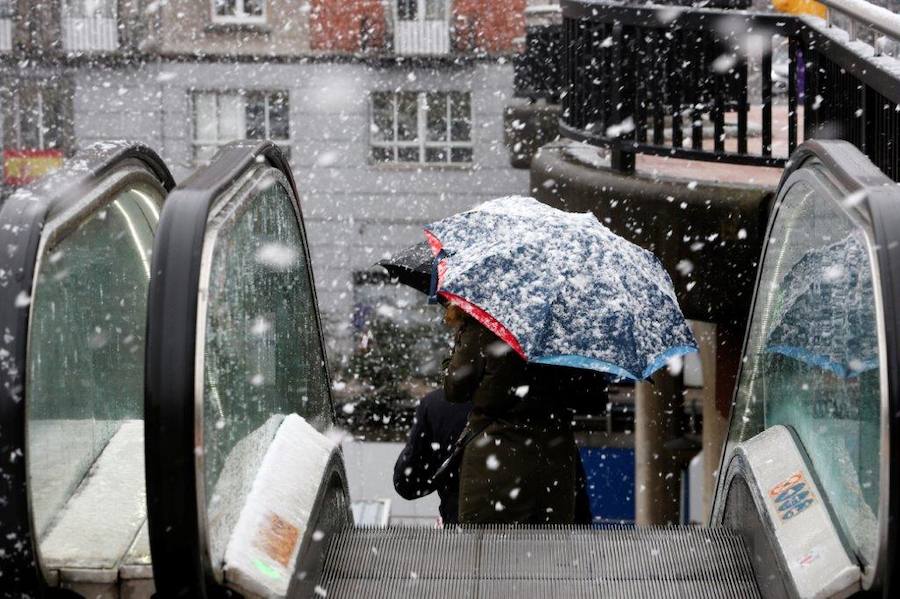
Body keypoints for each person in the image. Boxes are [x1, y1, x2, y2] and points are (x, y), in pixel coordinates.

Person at [442, 304, 581, 524]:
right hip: (554, 461)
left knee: (488, 552)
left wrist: (455, 350)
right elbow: (589, 396)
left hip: (496, 460)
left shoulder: (486, 321)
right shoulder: (566, 324)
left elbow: (455, 388)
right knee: (549, 553)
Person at [392, 388, 472, 524]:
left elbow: (407, 483)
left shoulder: (437, 404)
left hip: (460, 527)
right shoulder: (518, 402)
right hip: (518, 533)